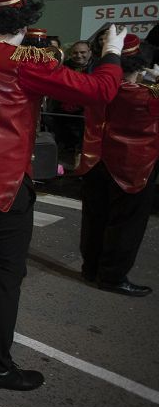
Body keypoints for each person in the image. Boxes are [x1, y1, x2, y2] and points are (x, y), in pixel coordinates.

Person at [0, 0, 125, 391]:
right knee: (4, 274)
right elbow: (101, 91)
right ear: (23, 19)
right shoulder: (24, 59)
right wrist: (111, 53)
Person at [75, 34, 158, 296]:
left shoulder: (95, 88)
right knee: (126, 225)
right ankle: (112, 276)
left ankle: (90, 268)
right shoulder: (148, 96)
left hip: (94, 160)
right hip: (133, 167)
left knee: (94, 218)